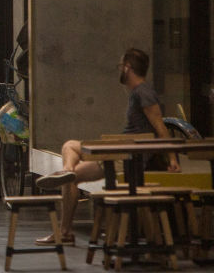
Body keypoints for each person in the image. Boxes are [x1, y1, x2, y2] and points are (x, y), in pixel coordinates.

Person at [34, 48, 178, 245]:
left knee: (70, 154)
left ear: (127, 68)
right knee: (70, 156)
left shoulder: (143, 93)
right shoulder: (138, 93)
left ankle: (65, 218)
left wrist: (172, 159)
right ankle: (66, 185)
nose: (120, 70)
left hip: (124, 156)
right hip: (120, 151)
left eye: (121, 66)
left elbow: (161, 129)